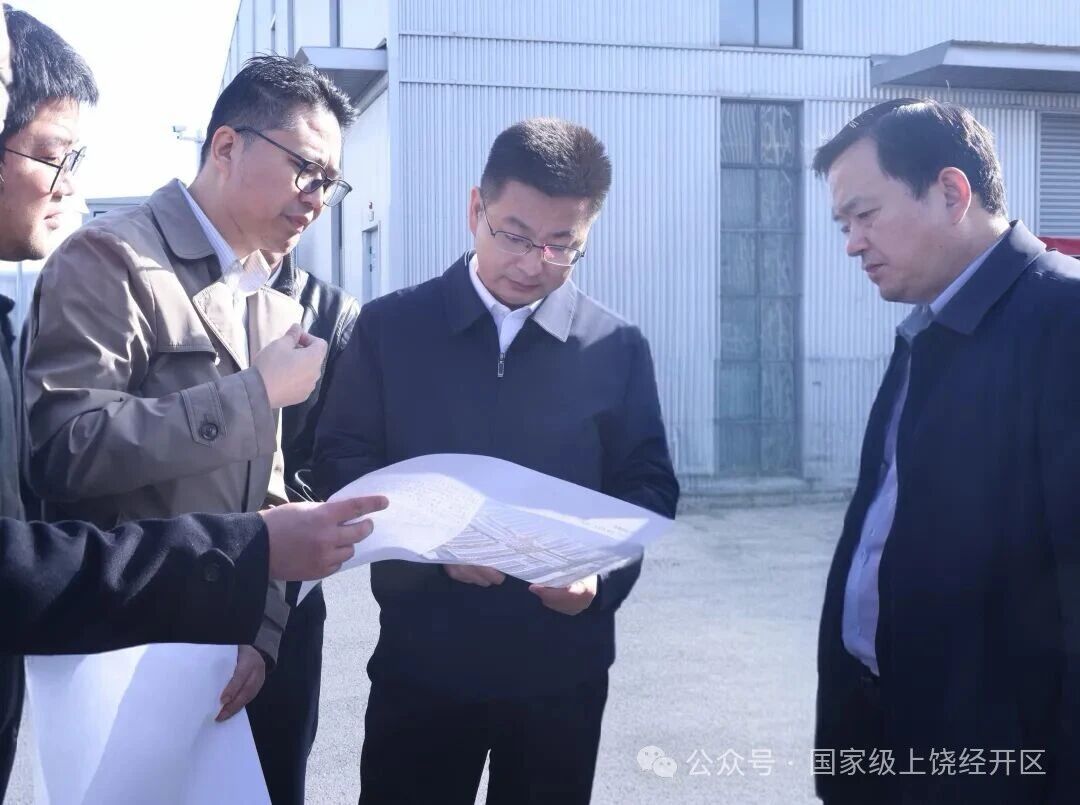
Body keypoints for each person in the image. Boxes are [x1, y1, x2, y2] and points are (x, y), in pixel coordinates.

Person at [0, 8, 383, 798]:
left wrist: (262, 627)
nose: (319, 197)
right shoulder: (110, 260)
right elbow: (66, 453)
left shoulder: (271, 293)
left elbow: (271, 489)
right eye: (305, 169)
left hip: (239, 652)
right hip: (132, 652)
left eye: (332, 182)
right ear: (226, 145)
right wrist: (253, 392)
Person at [314, 117, 679, 805]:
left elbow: (648, 486)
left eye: (562, 245)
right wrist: (435, 539)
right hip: (424, 660)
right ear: (475, 208)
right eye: (514, 234)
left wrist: (597, 575)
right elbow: (341, 461)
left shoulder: (615, 348)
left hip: (560, 674)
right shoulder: (392, 329)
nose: (534, 262)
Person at [814, 98, 1080, 804]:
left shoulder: (1064, 324)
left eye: (865, 215)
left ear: (952, 193)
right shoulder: (930, 324)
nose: (852, 243)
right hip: (881, 733)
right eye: (844, 225)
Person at [246, 248, 360, 804]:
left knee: (277, 774)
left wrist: (292, 519)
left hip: (288, 593)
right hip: (172, 578)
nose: (311, 205)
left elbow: (340, 457)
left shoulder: (334, 313)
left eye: (323, 200)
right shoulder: (159, 284)